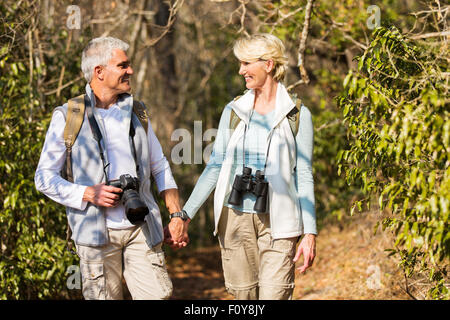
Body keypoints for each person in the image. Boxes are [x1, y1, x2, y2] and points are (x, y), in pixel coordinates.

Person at [35, 37, 187, 300]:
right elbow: (44, 178)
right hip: (94, 236)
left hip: (142, 228)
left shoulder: (138, 113)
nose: (130, 71)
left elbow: (159, 167)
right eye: (123, 65)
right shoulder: (69, 116)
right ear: (99, 72)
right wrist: (86, 193)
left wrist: (177, 215)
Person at [169, 33, 317, 300]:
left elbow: (303, 175)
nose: (241, 71)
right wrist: (184, 215)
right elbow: (214, 167)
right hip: (234, 219)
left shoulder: (297, 114)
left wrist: (309, 232)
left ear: (268, 65)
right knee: (244, 298)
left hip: (280, 221)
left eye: (247, 63)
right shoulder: (234, 110)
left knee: (275, 295)